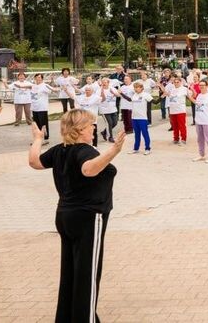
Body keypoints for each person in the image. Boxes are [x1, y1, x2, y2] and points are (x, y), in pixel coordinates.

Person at [28, 110, 124, 321]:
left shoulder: (60, 150)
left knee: (71, 272)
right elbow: (89, 170)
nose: (94, 128)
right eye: (91, 125)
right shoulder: (84, 151)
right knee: (87, 275)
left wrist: (37, 140)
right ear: (80, 130)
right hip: (88, 217)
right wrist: (114, 151)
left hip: (65, 216)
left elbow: (34, 162)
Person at [189, 80, 208, 163]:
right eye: (200, 85)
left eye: (203, 85)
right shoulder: (199, 95)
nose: (201, 86)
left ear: (206, 86)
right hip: (198, 121)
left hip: (207, 121)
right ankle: (201, 155)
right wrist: (190, 97)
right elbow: (197, 104)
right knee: (200, 139)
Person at [125, 82, 153, 155]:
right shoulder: (134, 95)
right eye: (135, 88)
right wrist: (121, 93)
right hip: (134, 118)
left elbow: (155, 102)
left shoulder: (145, 95)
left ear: (141, 88)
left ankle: (147, 148)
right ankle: (136, 148)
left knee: (145, 134)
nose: (136, 89)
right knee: (136, 134)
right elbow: (129, 99)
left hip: (142, 118)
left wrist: (163, 96)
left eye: (138, 87)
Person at [30, 73, 55, 142]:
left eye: (40, 77)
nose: (38, 79)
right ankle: (38, 137)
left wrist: (52, 81)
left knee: (43, 123)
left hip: (42, 108)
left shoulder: (44, 85)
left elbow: (52, 90)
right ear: (34, 78)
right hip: (34, 108)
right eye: (37, 77)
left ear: (42, 79)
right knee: (36, 124)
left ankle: (45, 138)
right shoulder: (33, 86)